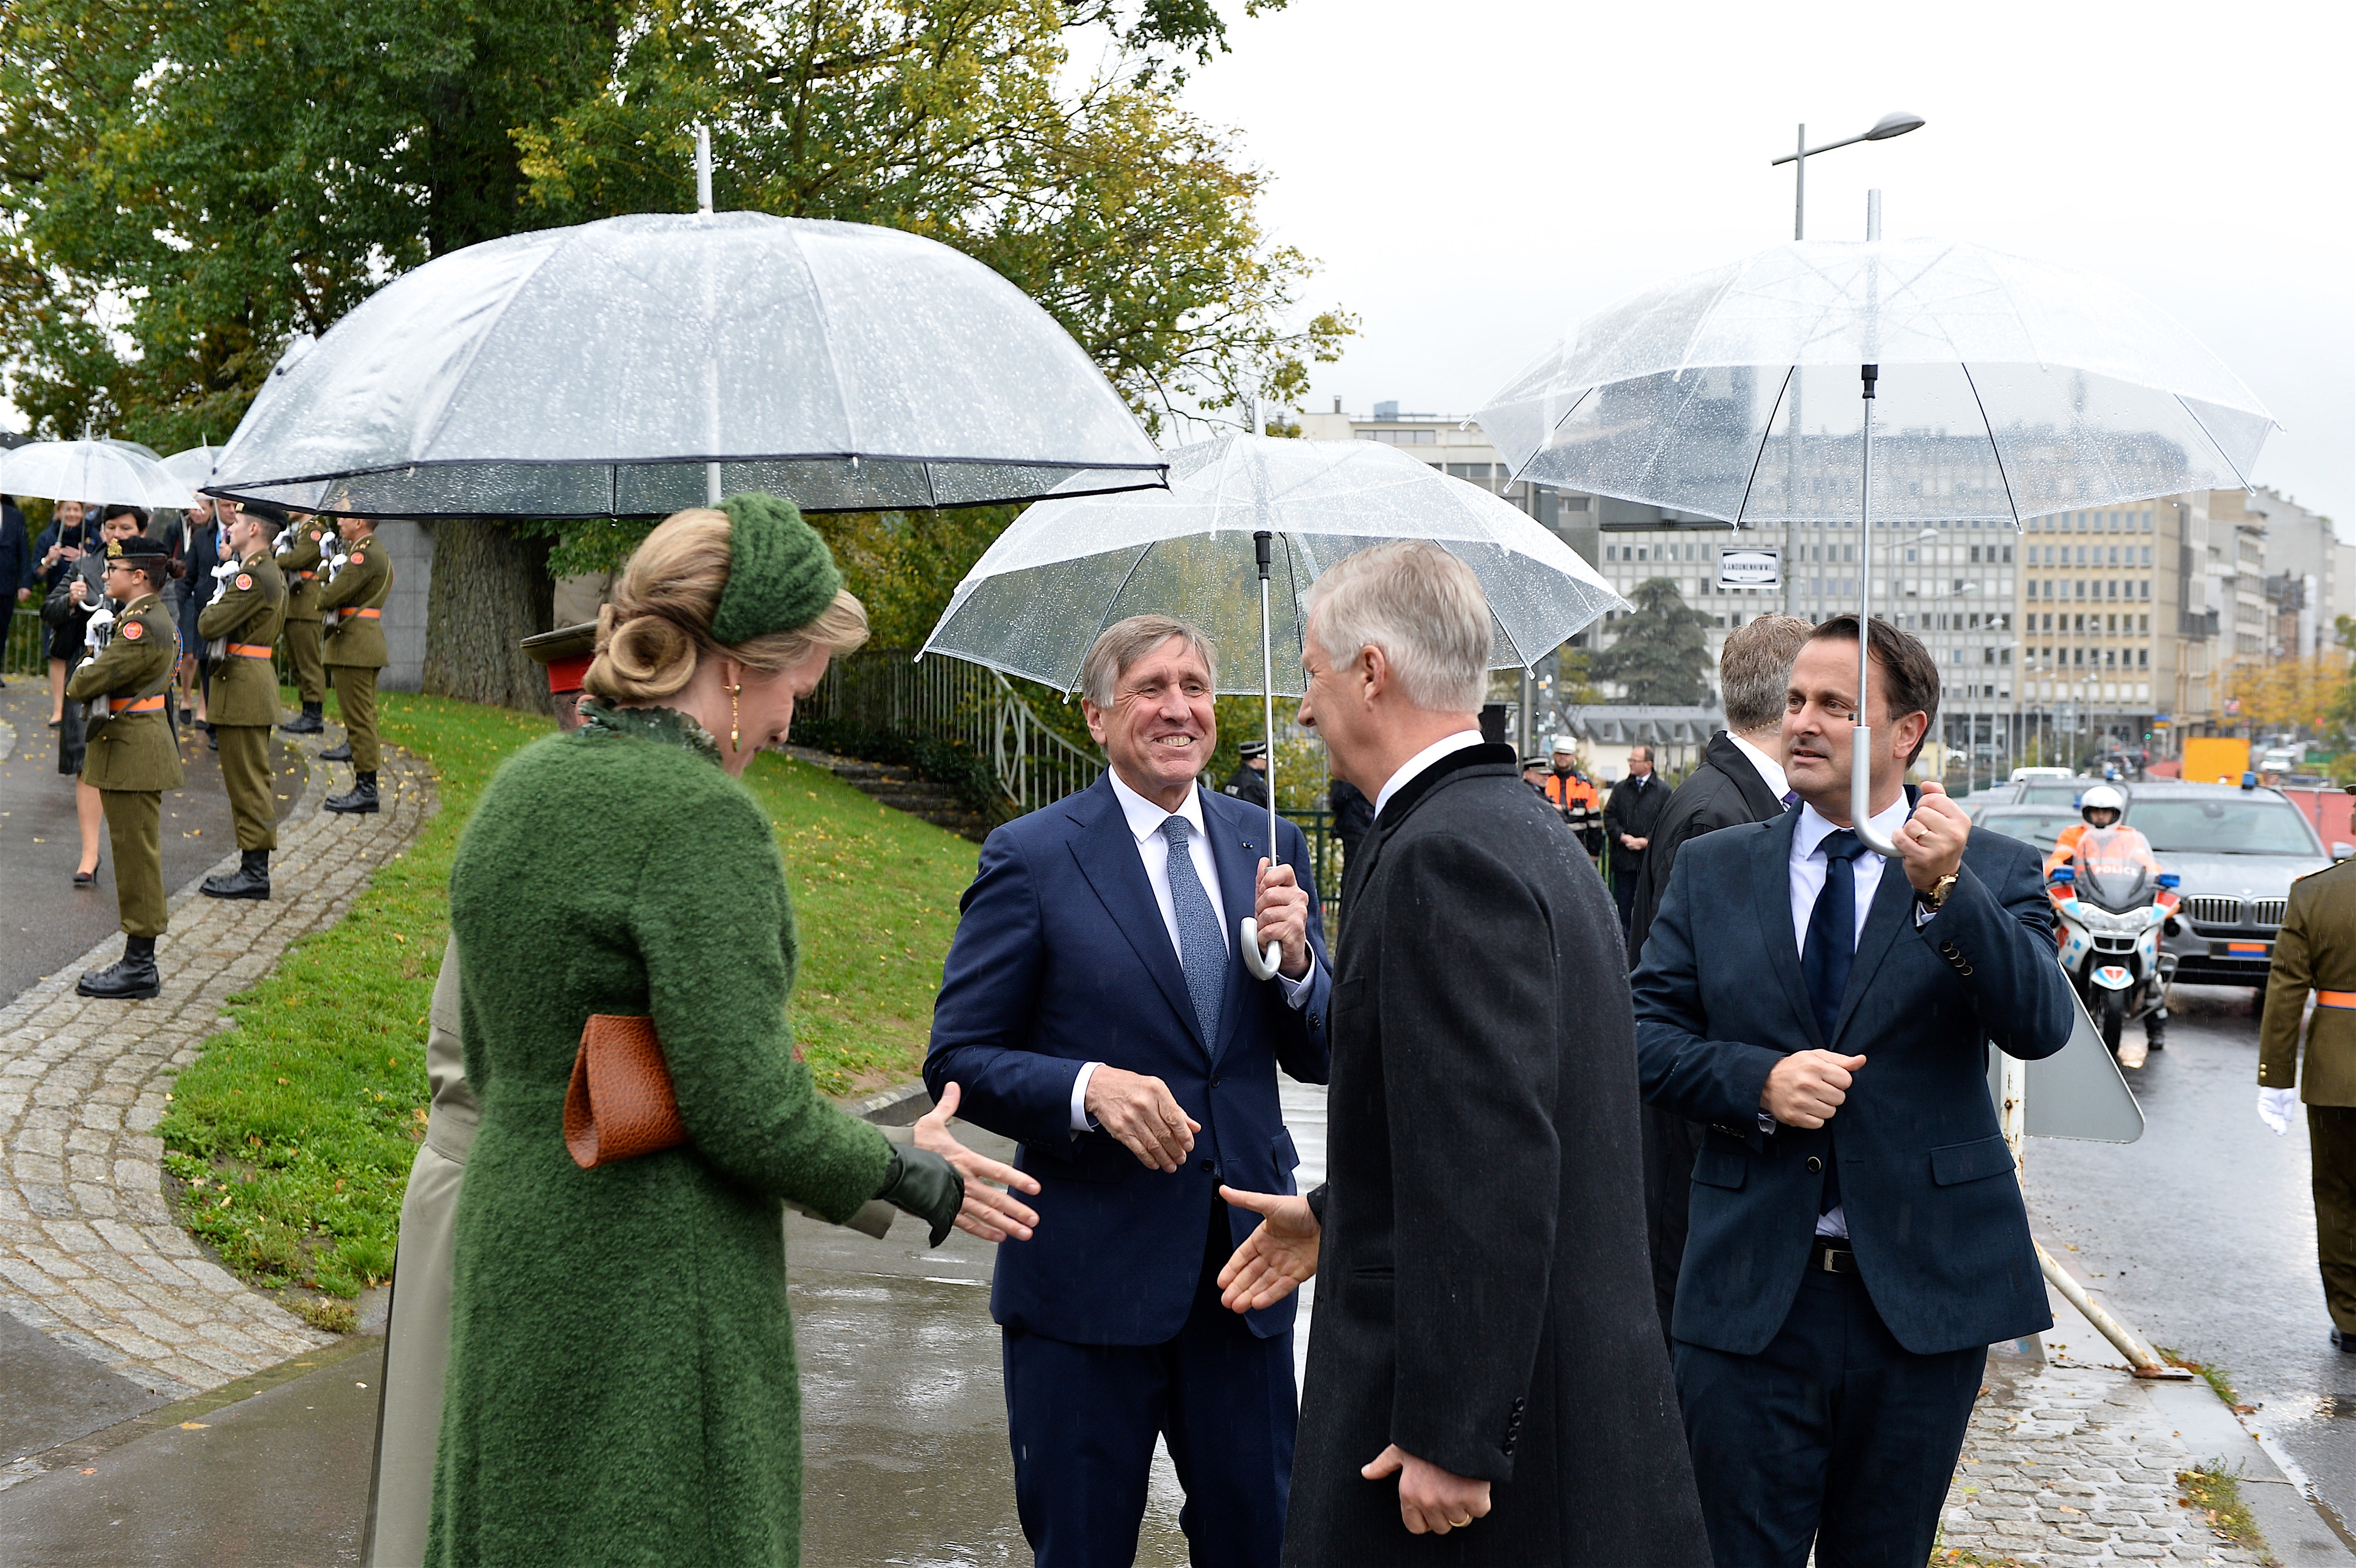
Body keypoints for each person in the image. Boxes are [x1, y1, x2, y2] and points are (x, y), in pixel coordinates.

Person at [361, 616, 1037, 1568]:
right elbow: (741, 1107)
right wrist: (910, 1171)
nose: (787, 724)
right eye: (792, 690)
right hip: (636, 1261)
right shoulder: (690, 820)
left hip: (503, 1232)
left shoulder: (519, 797)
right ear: (731, 672)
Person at [1216, 541, 1707, 1566]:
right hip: (1554, 1401)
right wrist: (1338, 1216)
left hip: (1480, 1458)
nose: (1301, 710)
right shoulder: (1515, 827)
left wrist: (1455, 1431)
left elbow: (1495, 1160)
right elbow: (1487, 1122)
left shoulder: (1447, 851)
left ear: (1370, 670)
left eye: (1309, 672)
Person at [1630, 613, 2074, 1568]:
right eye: (1795, 700)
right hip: (1750, 1300)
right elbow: (1638, 1036)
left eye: (1836, 704)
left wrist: (1949, 890)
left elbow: (2039, 1024)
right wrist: (1755, 1079)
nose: (1803, 721)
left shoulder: (1988, 869)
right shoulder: (1717, 868)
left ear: (1904, 731)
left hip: (1917, 1304)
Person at [925, 613, 1332, 1568]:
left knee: (1261, 1542)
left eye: (1194, 685)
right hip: (1083, 1285)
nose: (1178, 707)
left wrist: (1302, 962)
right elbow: (957, 1055)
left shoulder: (1265, 850)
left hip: (1243, 1273)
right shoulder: (1030, 856)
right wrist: (1084, 1085)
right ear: (1098, 714)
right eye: (1151, 687)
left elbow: (1320, 1052)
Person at [1624, 612, 1811, 1343]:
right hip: (1703, 1142)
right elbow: (1715, 1003)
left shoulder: (1736, 798)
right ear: (1791, 699)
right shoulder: (1719, 815)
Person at [66, 535, 185, 1000]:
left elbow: (88, 682)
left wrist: (89, 655)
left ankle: (140, 964)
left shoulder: (141, 625)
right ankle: (139, 959)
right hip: (131, 745)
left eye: (114, 568)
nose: (107, 574)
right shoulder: (138, 619)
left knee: (137, 857)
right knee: (134, 853)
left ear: (138, 576)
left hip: (134, 749)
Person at [2258, 853, 2356, 1355]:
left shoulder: (2314, 892)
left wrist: (2274, 1076)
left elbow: (2286, 989)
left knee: (2338, 1194)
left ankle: (2351, 1318)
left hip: (2335, 1069)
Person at [49, 506, 150, 884]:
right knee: (85, 764)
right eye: (110, 527)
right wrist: (71, 600)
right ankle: (89, 855)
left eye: (126, 527)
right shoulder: (85, 566)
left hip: (132, 683)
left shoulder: (149, 572)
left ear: (141, 530)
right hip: (86, 676)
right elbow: (50, 611)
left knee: (128, 763)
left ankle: (132, 851)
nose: (116, 534)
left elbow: (166, 624)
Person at [194, 502, 288, 900]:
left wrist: (218, 598)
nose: (229, 527)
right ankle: (252, 866)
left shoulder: (255, 574)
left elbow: (209, 624)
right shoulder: (256, 570)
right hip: (244, 685)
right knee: (245, 779)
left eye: (236, 523)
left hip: (245, 687)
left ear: (254, 530)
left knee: (248, 781)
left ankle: (255, 872)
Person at [318, 515, 390, 813]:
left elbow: (328, 597)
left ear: (360, 521)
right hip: (361, 644)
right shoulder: (371, 551)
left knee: (360, 719)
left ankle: (366, 789)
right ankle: (366, 785)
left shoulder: (363, 554)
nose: (339, 521)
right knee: (363, 718)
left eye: (345, 516)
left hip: (354, 647)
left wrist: (328, 570)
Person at [33, 499, 92, 726]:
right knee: (57, 655)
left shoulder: (92, 536)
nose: (73, 514)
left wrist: (85, 558)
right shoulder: (47, 538)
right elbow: (36, 575)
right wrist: (48, 561)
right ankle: (58, 709)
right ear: (58, 512)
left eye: (77, 509)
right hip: (60, 605)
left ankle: (79, 705)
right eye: (68, 509)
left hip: (87, 605)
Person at [175, 498, 229, 730]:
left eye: (234, 506)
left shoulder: (245, 537)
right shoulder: (203, 536)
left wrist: (233, 553)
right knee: (206, 664)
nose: (230, 511)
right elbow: (189, 576)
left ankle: (220, 718)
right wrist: (176, 607)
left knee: (227, 668)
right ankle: (212, 723)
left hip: (232, 614)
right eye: (225, 506)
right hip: (205, 612)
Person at [275, 511, 330, 733]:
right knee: (299, 662)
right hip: (296, 606)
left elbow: (298, 559)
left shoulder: (315, 531)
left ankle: (314, 714)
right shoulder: (301, 532)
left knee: (308, 662)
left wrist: (277, 557)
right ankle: (307, 711)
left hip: (307, 607)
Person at [1604, 743, 1669, 930]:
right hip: (1623, 860)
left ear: (1648, 764)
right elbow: (1609, 817)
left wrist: (1647, 841)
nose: (1631, 764)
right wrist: (1623, 837)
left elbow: (1665, 822)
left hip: (1649, 862)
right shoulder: (1621, 789)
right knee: (1623, 908)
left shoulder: (1663, 791)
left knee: (1648, 908)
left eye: (1635, 760)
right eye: (1630, 760)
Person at [1538, 736, 1604, 859]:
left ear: (1574, 757)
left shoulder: (1585, 784)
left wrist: (1594, 852)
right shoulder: (1544, 781)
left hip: (1578, 845)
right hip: (1548, 844)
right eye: (1559, 754)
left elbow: (1595, 821)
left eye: (1567, 754)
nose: (1563, 757)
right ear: (1554, 755)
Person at [0, 492, 28, 688]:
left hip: (5, 584)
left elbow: (23, 552)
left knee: (1, 629)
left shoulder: (15, 516)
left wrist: (25, 584)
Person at [1327, 775, 1373, 866]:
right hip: (1362, 824)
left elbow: (1339, 799)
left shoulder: (1349, 780)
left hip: (1354, 825)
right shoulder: (1363, 781)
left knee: (1353, 864)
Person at [1223, 736, 1272, 807]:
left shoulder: (1235, 779)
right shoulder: (1254, 785)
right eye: (1264, 759)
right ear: (1255, 760)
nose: (1267, 762)